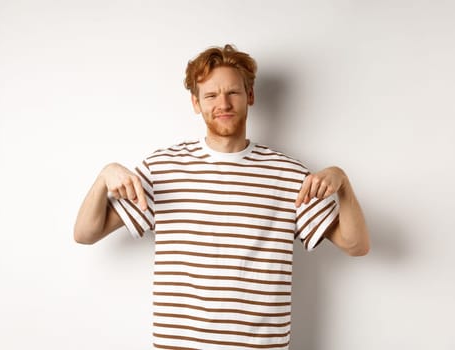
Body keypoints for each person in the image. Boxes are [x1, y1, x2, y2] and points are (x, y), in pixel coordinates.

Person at [73, 44, 370, 349]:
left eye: (233, 92)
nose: (223, 103)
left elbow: (356, 245)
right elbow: (85, 233)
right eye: (211, 95)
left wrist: (343, 183)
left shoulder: (289, 174)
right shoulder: (163, 169)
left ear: (250, 96)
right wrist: (103, 176)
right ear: (196, 103)